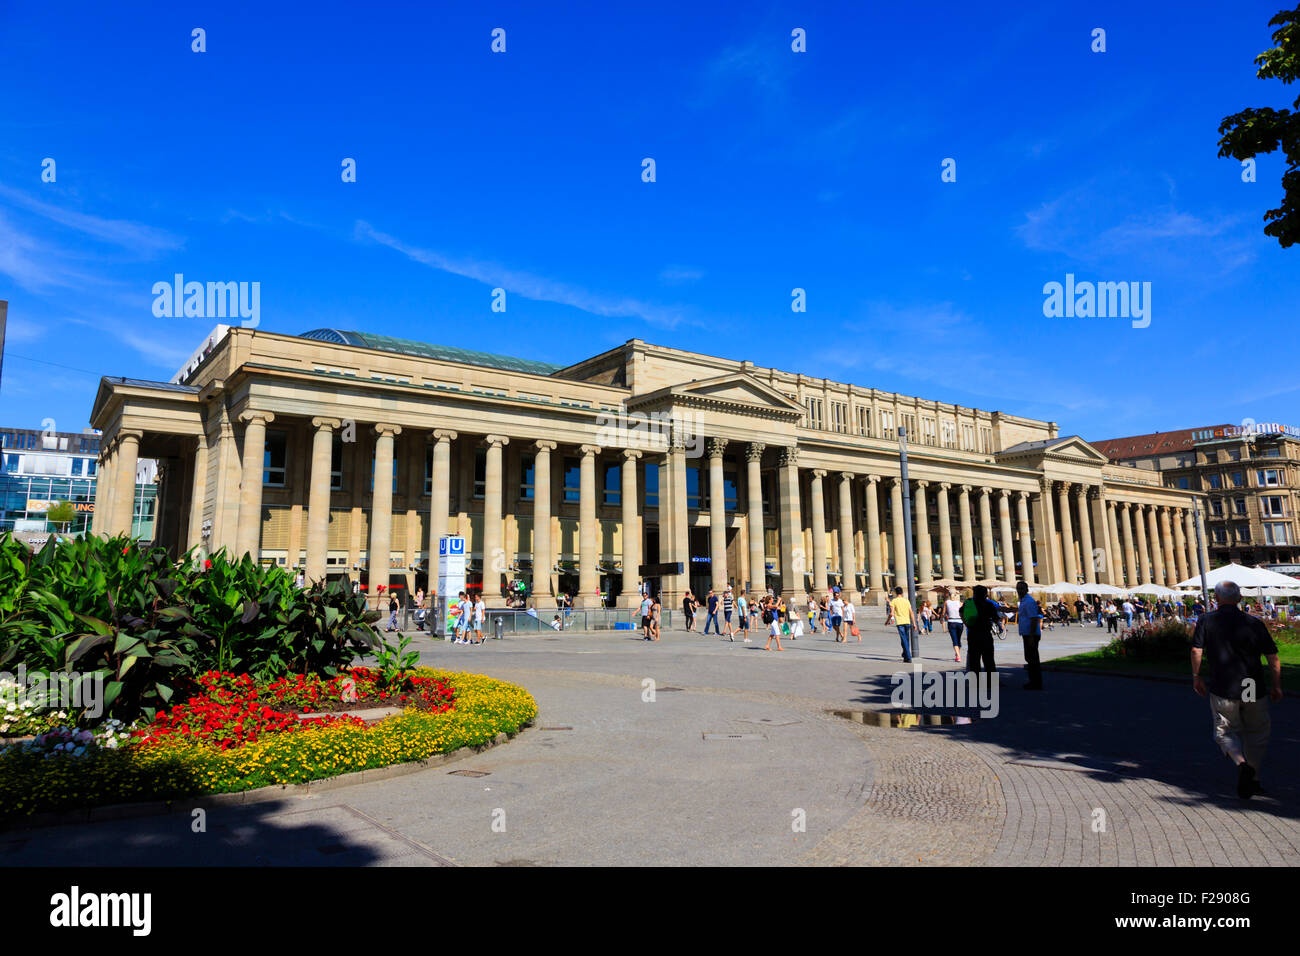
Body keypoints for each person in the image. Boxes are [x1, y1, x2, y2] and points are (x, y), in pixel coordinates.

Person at [1192, 581, 1282, 799]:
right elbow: (1273, 657)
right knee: (1255, 731)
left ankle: (1241, 764)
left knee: (1224, 730)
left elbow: (1196, 650)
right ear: (1240, 599)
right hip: (1250, 684)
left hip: (1224, 684)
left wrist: (1196, 676)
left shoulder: (1206, 620)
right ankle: (1254, 777)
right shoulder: (1253, 623)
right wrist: (1276, 684)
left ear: (1216, 598)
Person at [964, 585, 1001, 678]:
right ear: (985, 594)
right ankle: (991, 681)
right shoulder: (989, 604)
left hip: (973, 633)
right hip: (985, 634)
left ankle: (976, 680)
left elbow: (961, 613)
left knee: (974, 659)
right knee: (989, 659)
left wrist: (967, 623)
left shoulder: (969, 602)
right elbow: (996, 618)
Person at [1016, 580, 1044, 690]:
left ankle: (1036, 683)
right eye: (1018, 588)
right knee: (1029, 658)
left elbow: (1033, 619)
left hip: (1030, 634)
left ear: (1026, 589)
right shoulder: (1023, 601)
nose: (1019, 590)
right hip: (1027, 634)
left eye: (1022, 588)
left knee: (1033, 659)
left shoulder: (1029, 601)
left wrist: (1032, 636)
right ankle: (1033, 681)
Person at [888, 587, 914, 663]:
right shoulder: (906, 601)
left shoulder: (894, 601)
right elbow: (911, 612)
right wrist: (914, 623)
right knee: (906, 639)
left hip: (900, 623)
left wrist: (887, 621)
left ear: (896, 593)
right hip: (907, 622)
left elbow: (891, 613)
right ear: (902, 593)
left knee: (904, 639)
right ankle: (905, 655)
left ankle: (908, 657)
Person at [943, 590, 964, 663]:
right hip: (960, 622)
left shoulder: (946, 602)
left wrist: (941, 618)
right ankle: (958, 654)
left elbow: (944, 612)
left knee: (955, 640)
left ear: (949, 595)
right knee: (958, 640)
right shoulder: (960, 603)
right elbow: (963, 613)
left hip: (951, 622)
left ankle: (958, 656)